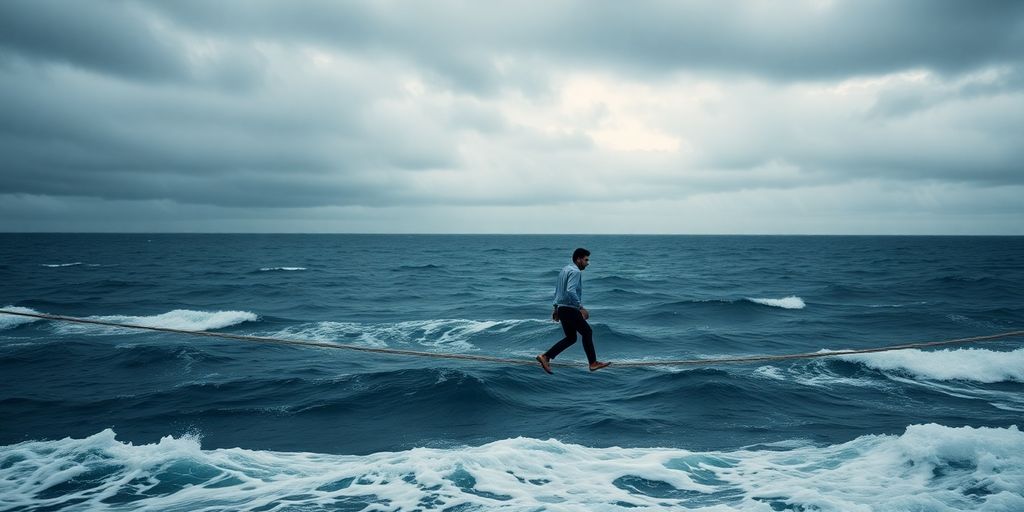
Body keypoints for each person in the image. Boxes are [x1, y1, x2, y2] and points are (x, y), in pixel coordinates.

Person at [536, 248, 611, 374]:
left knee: (571, 338)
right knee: (587, 332)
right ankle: (593, 363)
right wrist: (581, 307)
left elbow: (558, 290)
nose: (588, 263)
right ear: (578, 259)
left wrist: (555, 308)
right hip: (570, 309)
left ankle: (546, 357)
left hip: (562, 309)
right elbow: (570, 291)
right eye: (586, 260)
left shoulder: (564, 270)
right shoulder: (576, 272)